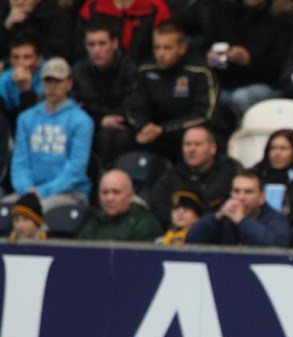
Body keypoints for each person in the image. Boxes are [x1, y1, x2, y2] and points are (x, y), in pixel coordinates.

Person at [10, 57, 94, 212]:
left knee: (30, 214)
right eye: (48, 81)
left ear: (69, 83)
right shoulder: (26, 118)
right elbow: (20, 162)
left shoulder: (82, 121)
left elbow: (76, 168)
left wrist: (41, 192)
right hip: (29, 192)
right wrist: (27, 190)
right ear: (41, 83)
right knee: (6, 210)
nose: (52, 87)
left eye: (58, 81)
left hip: (70, 192)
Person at [125, 21, 217, 162]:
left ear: (182, 48)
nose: (160, 54)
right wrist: (144, 126)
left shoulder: (199, 72)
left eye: (167, 48)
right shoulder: (145, 70)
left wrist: (164, 129)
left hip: (185, 134)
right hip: (152, 135)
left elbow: (204, 116)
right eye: (157, 48)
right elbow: (134, 106)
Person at [205, 0, 293, 117]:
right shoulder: (223, 12)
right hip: (227, 81)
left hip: (267, 84)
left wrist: (249, 60)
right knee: (211, 95)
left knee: (241, 97)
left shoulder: (281, 18)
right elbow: (205, 49)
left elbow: (280, 68)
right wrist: (212, 58)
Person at [71, 20, 138, 168]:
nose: (96, 50)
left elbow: (132, 102)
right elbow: (74, 106)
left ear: (114, 44)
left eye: (102, 44)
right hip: (91, 124)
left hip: (122, 124)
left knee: (117, 137)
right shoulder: (79, 71)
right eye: (91, 45)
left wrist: (110, 118)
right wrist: (100, 120)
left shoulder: (128, 68)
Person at [147, 125, 240, 228]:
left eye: (198, 144)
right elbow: (157, 200)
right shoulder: (174, 173)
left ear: (213, 148)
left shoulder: (228, 172)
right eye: (187, 144)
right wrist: (175, 217)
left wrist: (197, 219)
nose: (191, 149)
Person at [186, 170, 289, 246]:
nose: (241, 197)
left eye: (248, 192)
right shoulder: (221, 218)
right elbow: (191, 241)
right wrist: (216, 218)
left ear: (261, 198)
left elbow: (276, 246)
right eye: (236, 191)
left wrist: (242, 221)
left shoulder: (275, 219)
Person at [76, 0, 172, 65]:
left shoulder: (156, 9)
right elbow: (80, 50)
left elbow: (168, 46)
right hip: (97, 76)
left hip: (144, 77)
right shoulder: (93, 7)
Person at [76, 169, 163, 241]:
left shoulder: (145, 225)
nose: (109, 198)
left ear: (130, 195)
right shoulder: (94, 224)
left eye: (116, 192)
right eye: (105, 192)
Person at [0, 0, 72, 61]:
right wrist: (7, 27)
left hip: (44, 63)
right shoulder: (6, 13)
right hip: (11, 64)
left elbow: (57, 51)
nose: (20, 2)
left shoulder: (55, 15)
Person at [0, 34, 44, 127]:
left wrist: (26, 90)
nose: (20, 63)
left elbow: (40, 117)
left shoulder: (47, 77)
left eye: (27, 57)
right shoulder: (5, 78)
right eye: (15, 57)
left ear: (38, 60)